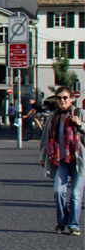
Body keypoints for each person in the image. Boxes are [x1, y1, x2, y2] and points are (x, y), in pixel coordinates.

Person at [39, 86, 83, 235]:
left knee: (75, 195)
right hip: (61, 161)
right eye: (59, 98)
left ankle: (74, 224)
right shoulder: (53, 116)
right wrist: (42, 155)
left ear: (71, 99)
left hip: (79, 161)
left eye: (65, 98)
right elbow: (46, 137)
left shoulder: (79, 113)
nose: (62, 101)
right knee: (58, 191)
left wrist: (80, 125)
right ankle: (62, 220)